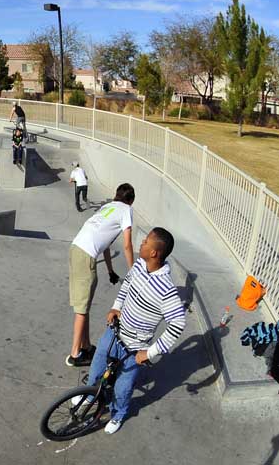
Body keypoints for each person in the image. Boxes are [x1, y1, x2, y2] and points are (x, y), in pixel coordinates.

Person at [83, 227, 185, 435]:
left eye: (146, 242)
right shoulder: (139, 264)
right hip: (115, 333)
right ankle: (89, 395)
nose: (141, 244)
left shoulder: (166, 290)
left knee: (123, 389)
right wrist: (116, 306)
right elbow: (127, 283)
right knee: (97, 366)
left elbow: (178, 323)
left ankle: (118, 414)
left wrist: (149, 353)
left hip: (135, 349)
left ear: (155, 253)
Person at [66, 183, 136, 367]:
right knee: (81, 308)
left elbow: (106, 244)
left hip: (75, 249)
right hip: (86, 254)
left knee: (85, 303)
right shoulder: (126, 210)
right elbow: (128, 244)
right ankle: (75, 354)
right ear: (131, 200)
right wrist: (134, 272)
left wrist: (111, 271)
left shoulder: (108, 207)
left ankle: (86, 346)